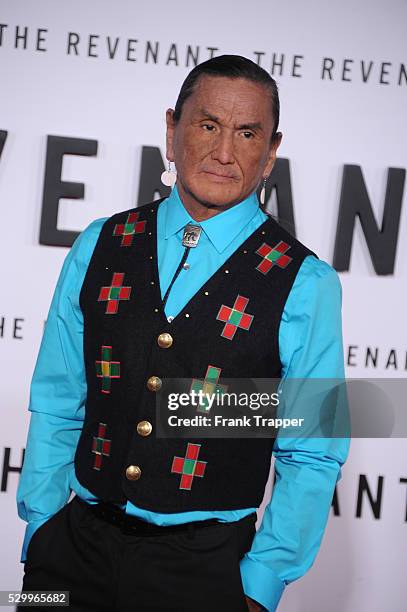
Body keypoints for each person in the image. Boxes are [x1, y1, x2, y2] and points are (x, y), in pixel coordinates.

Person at [17, 55, 349, 612]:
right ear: (171, 131)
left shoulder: (308, 283)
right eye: (207, 125)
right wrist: (41, 532)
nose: (224, 152)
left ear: (271, 151)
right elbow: (57, 399)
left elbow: (312, 452)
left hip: (206, 576)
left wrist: (259, 585)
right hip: (67, 558)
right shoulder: (98, 244)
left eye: (247, 133)